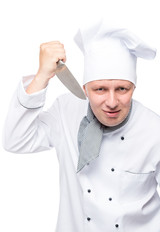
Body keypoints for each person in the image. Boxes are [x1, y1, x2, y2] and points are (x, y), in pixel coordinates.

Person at [3, 20, 160, 232]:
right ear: (85, 89)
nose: (112, 102)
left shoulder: (153, 130)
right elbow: (15, 140)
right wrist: (42, 76)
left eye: (122, 89)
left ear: (134, 87)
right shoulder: (65, 111)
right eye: (100, 89)